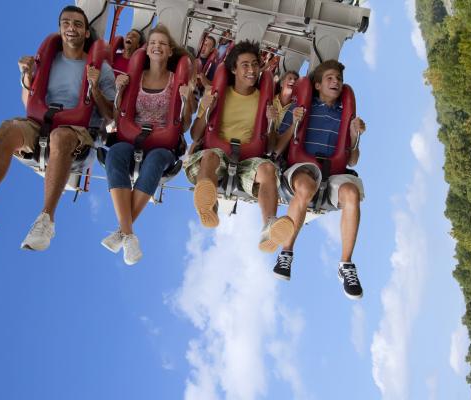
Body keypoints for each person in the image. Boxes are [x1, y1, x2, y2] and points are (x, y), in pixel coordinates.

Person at [0, 6, 116, 251]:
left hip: (79, 133)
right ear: (60, 29)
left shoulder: (100, 69)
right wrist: (26, 76)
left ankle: (46, 221)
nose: (71, 28)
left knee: (60, 136)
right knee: (7, 128)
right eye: (66, 23)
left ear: (87, 33)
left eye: (77, 24)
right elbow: (29, 103)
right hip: (40, 126)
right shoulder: (47, 61)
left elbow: (111, 116)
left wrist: (95, 87)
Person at [185, 40, 294, 252]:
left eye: (255, 64)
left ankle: (269, 227)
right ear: (234, 69)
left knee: (268, 169)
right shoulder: (216, 94)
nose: (251, 70)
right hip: (216, 156)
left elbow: (271, 148)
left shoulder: (265, 101)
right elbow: (195, 135)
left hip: (248, 161)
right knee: (210, 157)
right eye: (245, 65)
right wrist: (206, 110)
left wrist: (272, 123)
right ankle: (207, 206)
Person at [273, 60, 367, 299]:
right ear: (317, 85)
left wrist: (355, 136)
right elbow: (277, 148)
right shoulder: (301, 108)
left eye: (339, 80)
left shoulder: (344, 116)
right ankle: (286, 252)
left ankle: (346, 264)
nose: (336, 82)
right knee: (306, 186)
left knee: (352, 193)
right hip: (302, 169)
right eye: (330, 78)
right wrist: (294, 121)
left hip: (332, 173)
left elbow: (352, 160)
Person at [100, 25, 194, 264]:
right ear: (147, 49)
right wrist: (120, 91)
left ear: (170, 51)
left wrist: (187, 99)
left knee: (155, 160)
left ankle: (123, 231)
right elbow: (118, 115)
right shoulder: (135, 77)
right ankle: (128, 234)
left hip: (162, 144)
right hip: (131, 138)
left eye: (162, 43)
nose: (156, 46)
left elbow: (183, 125)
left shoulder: (175, 80)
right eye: (152, 43)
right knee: (115, 153)